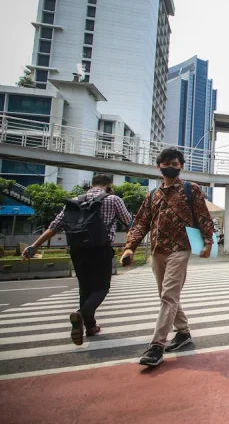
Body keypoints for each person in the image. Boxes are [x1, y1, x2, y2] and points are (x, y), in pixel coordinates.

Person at [122, 148, 215, 367]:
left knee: (169, 295)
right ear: (159, 167)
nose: (170, 167)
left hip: (181, 247)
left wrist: (209, 241)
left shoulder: (190, 189)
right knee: (166, 296)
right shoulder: (152, 195)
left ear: (181, 166)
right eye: (166, 164)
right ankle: (182, 333)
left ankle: (156, 346)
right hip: (157, 250)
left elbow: (203, 215)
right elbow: (141, 222)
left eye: (174, 163)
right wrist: (130, 247)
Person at [23, 174, 132, 345]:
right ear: (109, 187)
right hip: (100, 249)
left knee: (85, 288)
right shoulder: (113, 199)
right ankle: (81, 315)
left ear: (90, 186)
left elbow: (55, 226)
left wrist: (35, 245)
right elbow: (128, 220)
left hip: (77, 250)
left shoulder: (74, 201)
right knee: (101, 288)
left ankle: (90, 326)